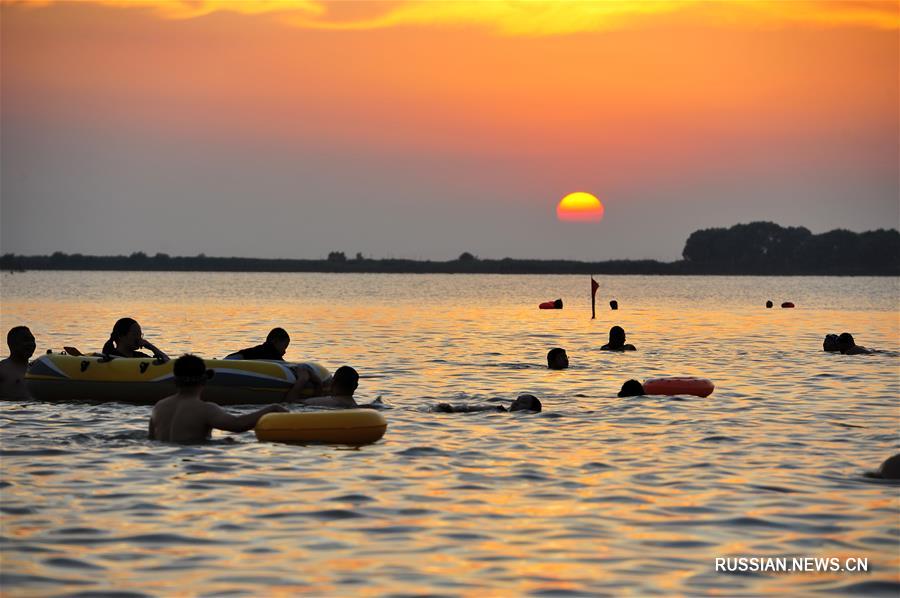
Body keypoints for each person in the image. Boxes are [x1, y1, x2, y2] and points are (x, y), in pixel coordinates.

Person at [149, 354, 286, 443]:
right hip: (192, 457)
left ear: (175, 380)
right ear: (204, 380)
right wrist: (272, 408)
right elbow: (238, 425)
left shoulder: (159, 407)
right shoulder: (205, 409)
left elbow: (151, 440)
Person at [290, 365, 359, 409]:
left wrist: (302, 380)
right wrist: (318, 384)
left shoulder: (326, 402)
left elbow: (291, 403)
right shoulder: (355, 406)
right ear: (355, 386)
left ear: (333, 382)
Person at [102, 318, 169, 361]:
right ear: (121, 336)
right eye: (135, 334)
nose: (139, 338)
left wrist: (151, 347)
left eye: (140, 335)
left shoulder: (141, 357)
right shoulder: (110, 357)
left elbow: (168, 365)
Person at [0, 326, 37, 399]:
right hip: (11, 409)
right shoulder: (2, 369)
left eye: (33, 340)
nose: (31, 344)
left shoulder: (36, 369)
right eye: (26, 340)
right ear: (12, 344)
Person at [225, 328, 290, 361]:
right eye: (284, 346)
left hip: (232, 358)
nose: (285, 351)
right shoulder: (269, 351)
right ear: (275, 342)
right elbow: (280, 362)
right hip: (235, 359)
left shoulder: (266, 350)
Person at [434, 394, 542, 413]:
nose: (516, 403)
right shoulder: (499, 409)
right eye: (517, 399)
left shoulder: (499, 411)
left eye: (522, 402)